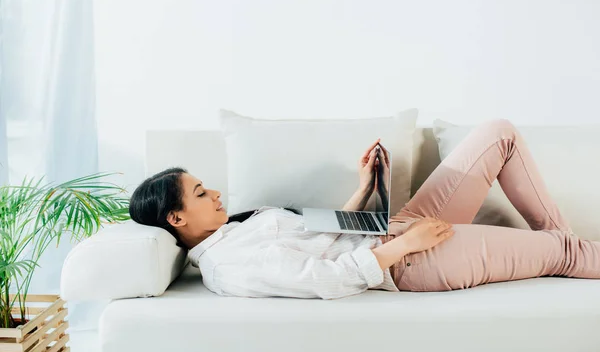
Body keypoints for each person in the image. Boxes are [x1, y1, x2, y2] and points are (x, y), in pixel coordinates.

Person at [129, 119, 600, 299]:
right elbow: (325, 279)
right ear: (177, 218)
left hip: (394, 229)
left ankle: (566, 254)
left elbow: (320, 236)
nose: (214, 195)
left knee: (499, 134)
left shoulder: (236, 230)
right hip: (412, 260)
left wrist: (364, 188)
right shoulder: (230, 265)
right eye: (200, 194)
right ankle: (567, 254)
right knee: (562, 251)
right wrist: (407, 246)